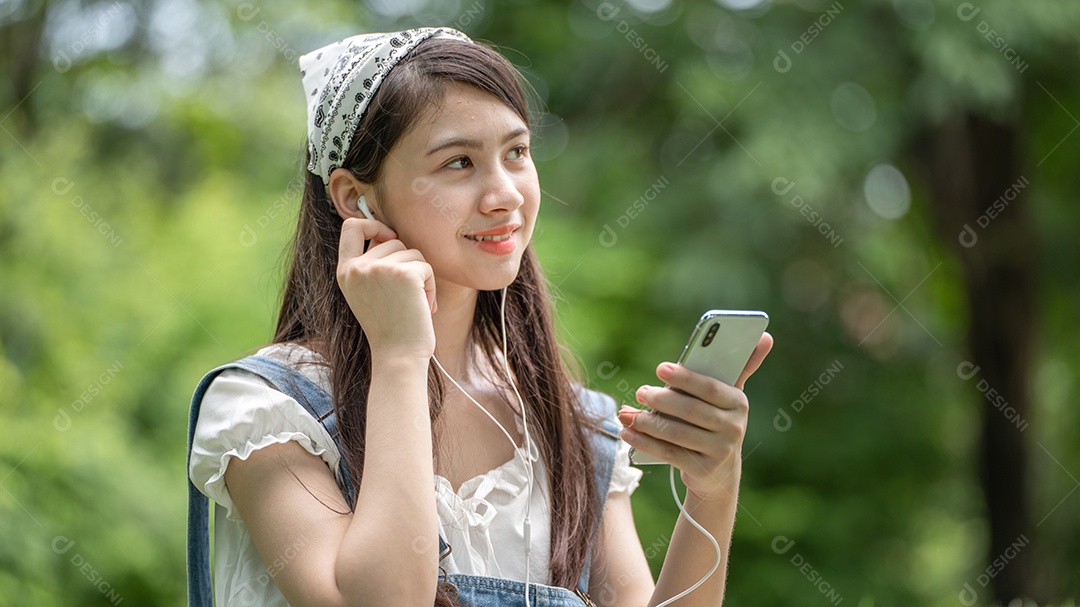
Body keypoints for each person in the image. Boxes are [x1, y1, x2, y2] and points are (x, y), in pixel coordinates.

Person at [186, 27, 772, 607]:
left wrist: (712, 489)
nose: (505, 194)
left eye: (516, 152)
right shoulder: (270, 409)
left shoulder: (574, 429)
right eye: (459, 162)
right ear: (354, 198)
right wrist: (398, 358)